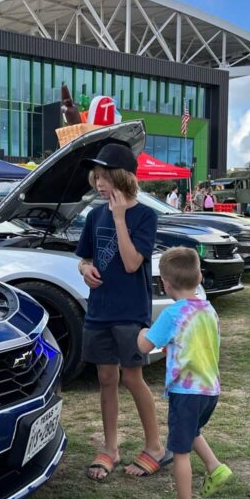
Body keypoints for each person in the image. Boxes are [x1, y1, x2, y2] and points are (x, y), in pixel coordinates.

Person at [76, 142, 168, 481]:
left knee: (132, 377)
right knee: (106, 379)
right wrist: (84, 270)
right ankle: (111, 448)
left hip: (130, 311)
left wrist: (118, 218)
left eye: (106, 177)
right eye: (96, 177)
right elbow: (84, 257)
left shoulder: (145, 216)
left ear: (124, 177)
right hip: (99, 310)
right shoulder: (94, 215)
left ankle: (155, 446)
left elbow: (131, 263)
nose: (100, 184)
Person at [137, 247, 231, 499]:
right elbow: (196, 344)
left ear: (164, 284)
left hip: (185, 394)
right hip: (210, 390)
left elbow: (144, 346)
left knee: (180, 451)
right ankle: (216, 468)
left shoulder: (172, 313)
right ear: (200, 276)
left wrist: (143, 332)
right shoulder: (208, 309)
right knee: (192, 432)